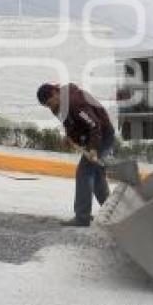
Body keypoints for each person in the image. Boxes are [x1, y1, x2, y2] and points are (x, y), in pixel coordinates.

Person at [37, 82, 115, 227]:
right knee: (96, 175)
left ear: (55, 93)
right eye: (47, 106)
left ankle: (82, 217)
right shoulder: (58, 104)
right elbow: (69, 122)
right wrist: (70, 138)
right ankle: (113, 213)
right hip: (94, 137)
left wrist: (93, 148)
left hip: (102, 136)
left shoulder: (74, 103)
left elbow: (94, 125)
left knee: (84, 173)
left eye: (49, 103)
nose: (50, 108)